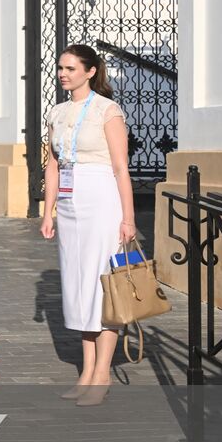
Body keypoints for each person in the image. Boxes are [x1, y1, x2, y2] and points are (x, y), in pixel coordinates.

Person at [40, 44, 136, 406]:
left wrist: (128, 218)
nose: (63, 73)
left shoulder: (106, 111)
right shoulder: (58, 112)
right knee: (78, 284)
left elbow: (120, 167)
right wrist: (48, 212)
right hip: (69, 201)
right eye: (61, 68)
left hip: (101, 199)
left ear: (90, 71)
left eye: (70, 68)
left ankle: (102, 374)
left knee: (102, 283)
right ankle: (86, 368)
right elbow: (52, 165)